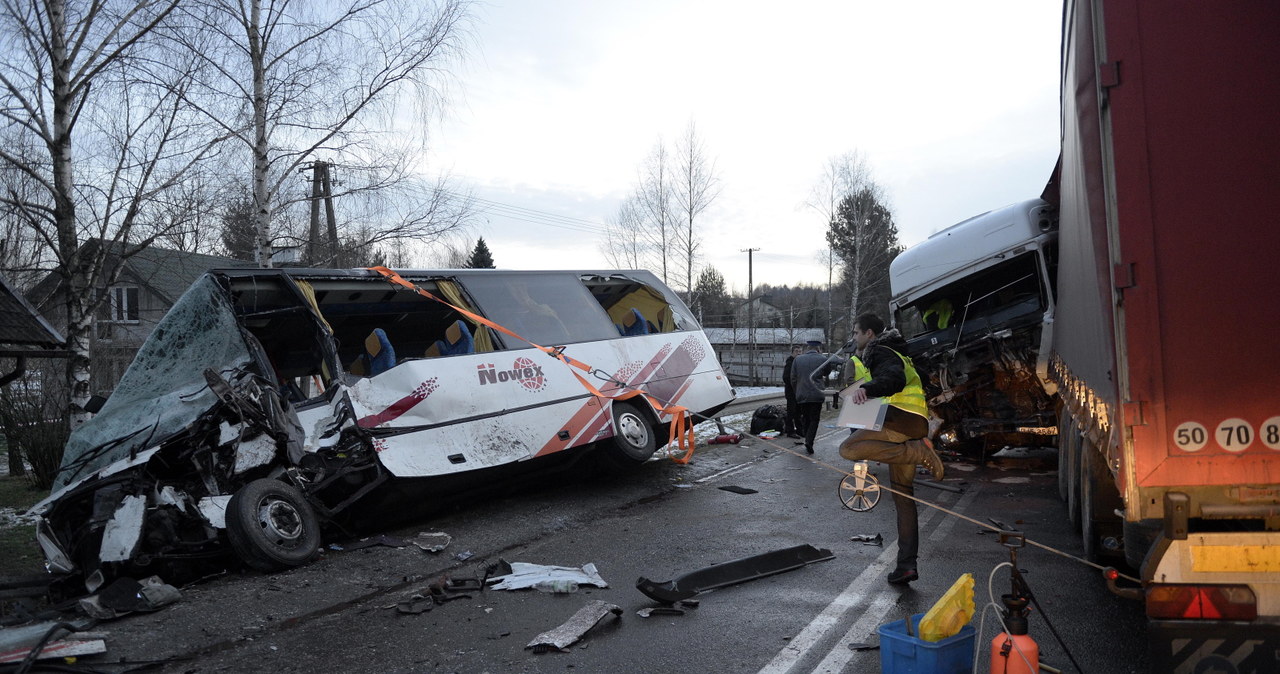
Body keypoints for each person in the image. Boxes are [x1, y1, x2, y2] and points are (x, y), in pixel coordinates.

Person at [837, 313, 944, 585]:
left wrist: (869, 389)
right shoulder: (900, 352)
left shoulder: (883, 351)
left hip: (901, 422)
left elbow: (893, 379)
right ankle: (906, 566)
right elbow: (919, 379)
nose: (854, 338)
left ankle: (919, 453)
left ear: (870, 333)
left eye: (856, 332)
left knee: (849, 449)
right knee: (903, 496)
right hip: (912, 425)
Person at [789, 340, 832, 454]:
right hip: (816, 393)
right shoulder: (822, 359)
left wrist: (797, 391)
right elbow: (827, 372)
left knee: (805, 417)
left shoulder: (798, 359)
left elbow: (793, 378)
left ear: (808, 348)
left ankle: (807, 437)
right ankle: (809, 441)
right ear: (818, 349)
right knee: (814, 418)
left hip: (802, 393)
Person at [781, 344, 802, 438]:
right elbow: (786, 377)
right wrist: (794, 385)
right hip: (791, 391)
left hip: (798, 391)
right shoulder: (790, 363)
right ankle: (790, 431)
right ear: (792, 352)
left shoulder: (800, 362)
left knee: (798, 412)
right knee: (791, 412)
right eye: (796, 351)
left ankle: (800, 430)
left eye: (800, 351)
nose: (798, 353)